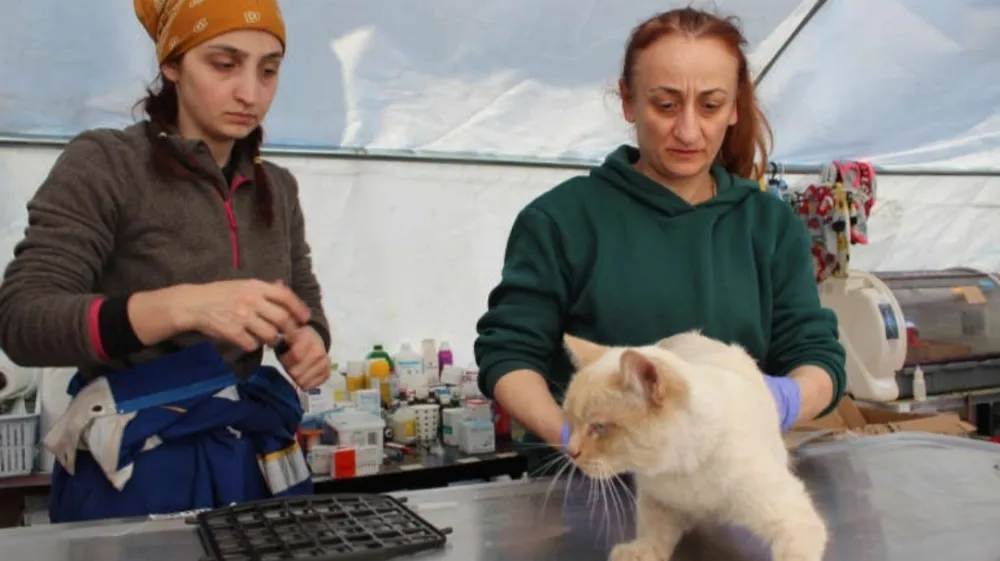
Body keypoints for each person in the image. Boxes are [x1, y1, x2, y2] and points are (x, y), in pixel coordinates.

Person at [0, 0, 331, 522]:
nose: (251, 93)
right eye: (224, 65)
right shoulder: (107, 165)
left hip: (249, 458)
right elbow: (24, 318)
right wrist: (182, 307)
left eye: (268, 71)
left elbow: (304, 304)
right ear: (172, 65)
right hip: (137, 470)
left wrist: (306, 340)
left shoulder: (277, 188)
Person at [473, 8, 846, 471]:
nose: (689, 131)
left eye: (710, 105)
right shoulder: (561, 220)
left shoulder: (768, 224)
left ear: (734, 107)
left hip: (726, 486)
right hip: (593, 491)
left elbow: (817, 356)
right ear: (628, 102)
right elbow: (508, 355)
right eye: (665, 105)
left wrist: (786, 399)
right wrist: (572, 436)